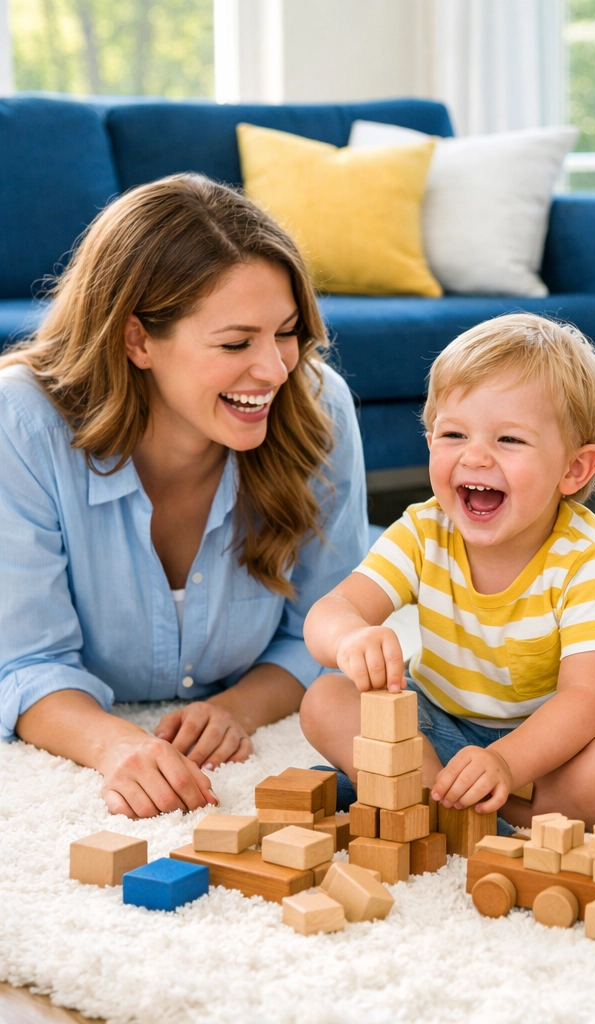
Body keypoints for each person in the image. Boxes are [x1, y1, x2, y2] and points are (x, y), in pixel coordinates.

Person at [0, 174, 367, 819]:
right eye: (235, 343)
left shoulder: (317, 407)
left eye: (285, 332)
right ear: (137, 339)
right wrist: (116, 745)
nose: (276, 370)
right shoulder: (21, 424)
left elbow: (329, 630)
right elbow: (24, 662)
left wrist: (236, 710)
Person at [301, 313, 595, 828]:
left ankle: (475, 806)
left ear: (574, 470)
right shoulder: (423, 531)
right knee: (326, 697)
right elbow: (334, 609)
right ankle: (434, 795)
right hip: (443, 724)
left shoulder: (590, 558)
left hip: (565, 743)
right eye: (454, 433)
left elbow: (585, 702)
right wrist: (349, 639)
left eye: (509, 440)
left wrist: (506, 762)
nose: (475, 456)